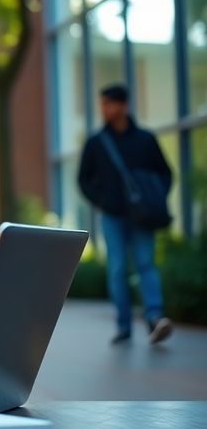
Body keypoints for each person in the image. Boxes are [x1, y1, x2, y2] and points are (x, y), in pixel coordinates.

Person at [78, 83, 173, 345]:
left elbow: (165, 173)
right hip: (113, 216)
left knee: (145, 265)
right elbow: (83, 179)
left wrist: (153, 198)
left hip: (142, 217)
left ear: (123, 106)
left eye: (109, 103)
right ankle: (123, 325)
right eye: (102, 104)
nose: (105, 109)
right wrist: (102, 200)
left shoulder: (145, 139)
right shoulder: (97, 143)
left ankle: (155, 318)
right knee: (117, 268)